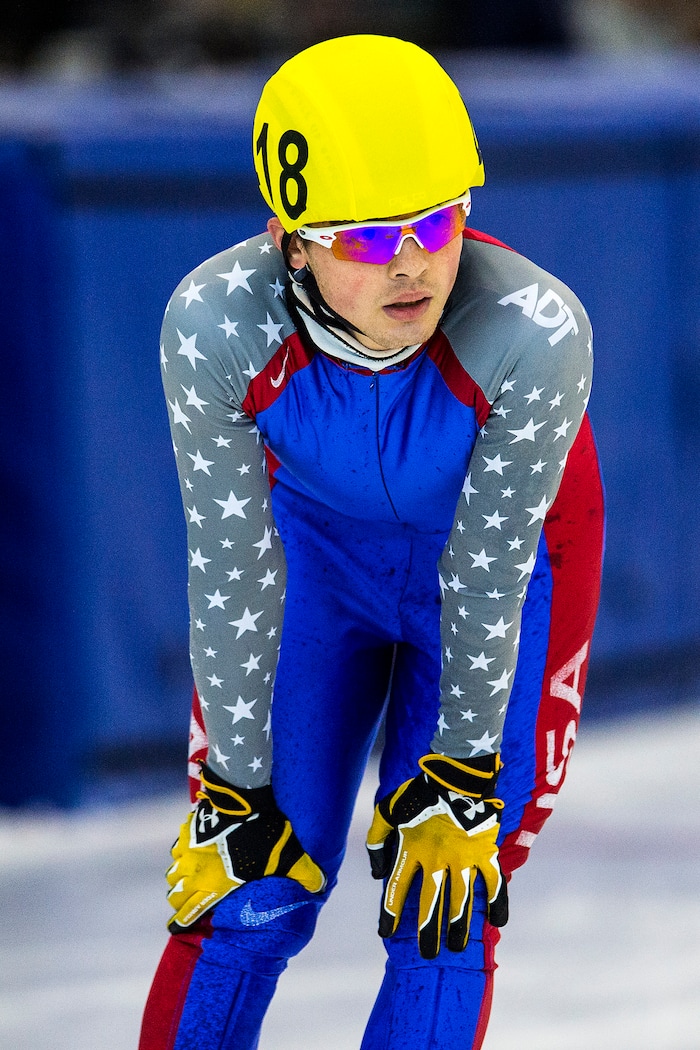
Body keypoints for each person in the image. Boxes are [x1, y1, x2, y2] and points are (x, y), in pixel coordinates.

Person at [138, 33, 604, 1050]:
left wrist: (463, 775)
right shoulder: (214, 323)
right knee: (243, 887)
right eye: (359, 237)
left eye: (436, 221)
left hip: (506, 565)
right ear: (288, 240)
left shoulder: (535, 330)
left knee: (443, 891)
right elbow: (229, 566)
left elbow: (487, 571)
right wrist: (234, 787)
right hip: (310, 556)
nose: (409, 263)